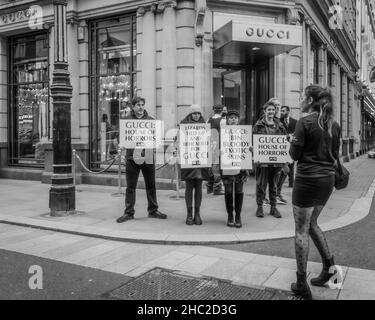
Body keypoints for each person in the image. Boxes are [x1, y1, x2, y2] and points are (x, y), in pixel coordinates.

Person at [289, 85, 341, 300]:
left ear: (310, 100)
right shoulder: (333, 124)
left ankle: (301, 283)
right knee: (312, 224)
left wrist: (292, 141)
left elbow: (294, 155)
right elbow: (335, 154)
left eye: (302, 97)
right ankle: (330, 270)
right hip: (326, 181)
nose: (300, 100)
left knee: (301, 229)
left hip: (307, 180)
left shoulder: (305, 122)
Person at [116, 97, 167, 223]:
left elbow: (156, 137)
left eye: (142, 105)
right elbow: (120, 136)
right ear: (133, 106)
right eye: (138, 105)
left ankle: (153, 210)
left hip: (148, 155)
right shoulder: (126, 120)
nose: (140, 107)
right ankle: (128, 213)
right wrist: (121, 143)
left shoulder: (150, 121)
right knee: (130, 187)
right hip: (132, 157)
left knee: (151, 186)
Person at [254, 100, 286, 219]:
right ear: (265, 111)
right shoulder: (258, 125)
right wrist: (254, 152)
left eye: (273, 110)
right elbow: (254, 140)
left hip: (276, 161)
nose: (271, 112)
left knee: (274, 185)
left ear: (275, 111)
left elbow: (283, 140)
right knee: (261, 185)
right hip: (262, 162)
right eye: (269, 110)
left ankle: (273, 207)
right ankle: (260, 207)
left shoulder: (280, 125)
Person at [179, 105, 209, 226]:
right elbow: (179, 141)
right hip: (189, 161)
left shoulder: (205, 125)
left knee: (199, 188)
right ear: (190, 114)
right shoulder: (183, 125)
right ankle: (189, 214)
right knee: (189, 188)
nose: (196, 115)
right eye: (194, 113)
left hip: (201, 161)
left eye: (198, 113)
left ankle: (197, 213)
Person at [221, 110, 248, 228]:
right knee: (228, 192)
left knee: (238, 191)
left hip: (240, 167)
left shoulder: (244, 133)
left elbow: (246, 149)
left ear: (238, 120)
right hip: (226, 166)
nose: (233, 119)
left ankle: (238, 216)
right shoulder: (222, 133)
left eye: (235, 117)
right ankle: (230, 215)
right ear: (227, 119)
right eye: (230, 117)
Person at [206, 105, 226, 195]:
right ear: (221, 111)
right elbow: (225, 134)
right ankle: (217, 188)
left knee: (211, 166)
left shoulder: (208, 120)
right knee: (217, 167)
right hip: (219, 145)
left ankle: (209, 186)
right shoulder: (223, 120)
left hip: (210, 145)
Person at [279, 105, 298, 188]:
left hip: (291, 145)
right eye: (281, 111)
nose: (281, 112)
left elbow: (297, 133)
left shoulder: (295, 121)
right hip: (282, 146)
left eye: (283, 111)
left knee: (291, 164)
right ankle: (280, 183)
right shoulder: (279, 121)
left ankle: (291, 182)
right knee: (283, 164)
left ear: (288, 111)